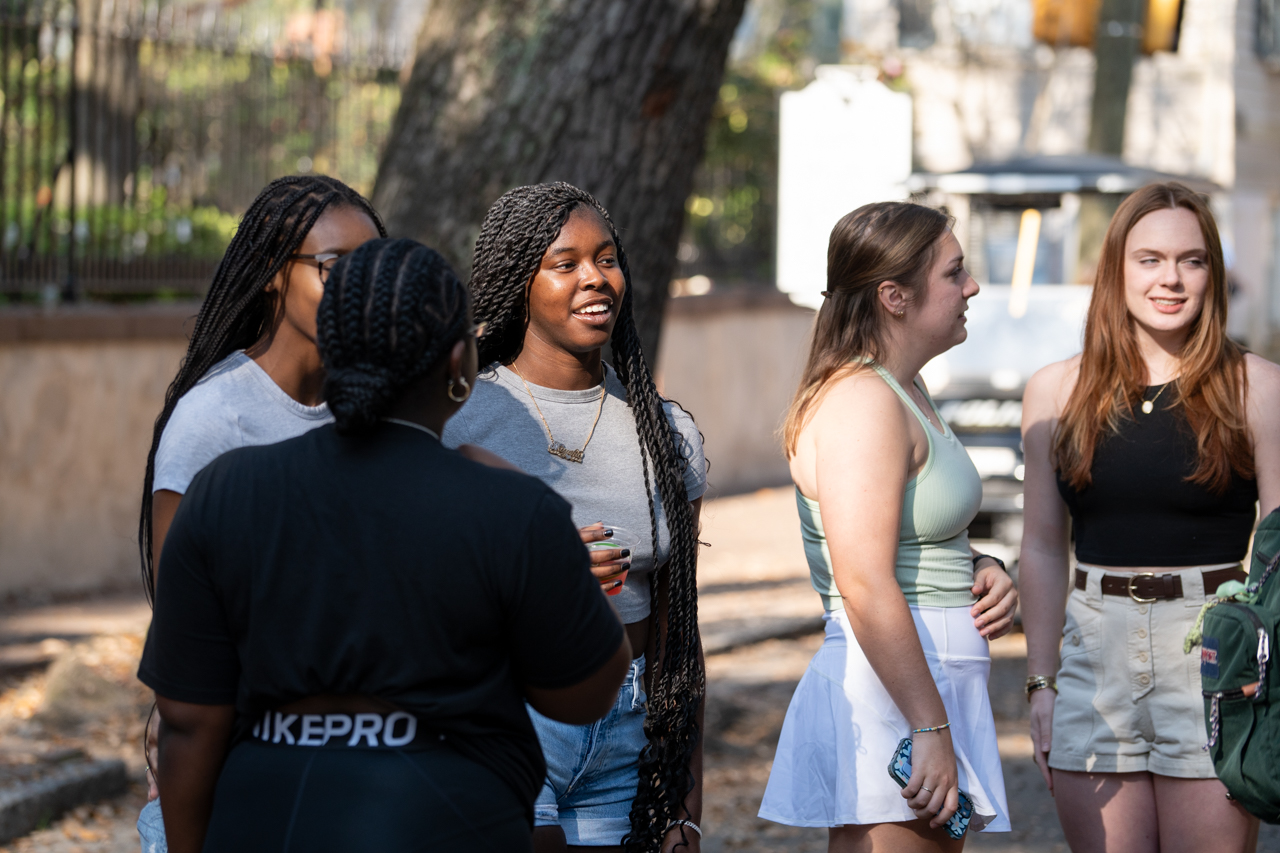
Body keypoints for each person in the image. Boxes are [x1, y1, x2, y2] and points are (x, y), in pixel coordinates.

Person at [138, 237, 632, 853]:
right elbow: (587, 691)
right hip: (452, 818)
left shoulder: (226, 492)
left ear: (330, 349)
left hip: (268, 817)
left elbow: (188, 720)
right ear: (459, 364)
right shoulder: (508, 507)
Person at [442, 182, 708, 853]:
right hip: (506, 707)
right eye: (566, 264)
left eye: (608, 258)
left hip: (628, 724)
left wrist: (685, 798)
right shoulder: (458, 419)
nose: (596, 278)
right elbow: (416, 591)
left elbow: (682, 630)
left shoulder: (665, 431)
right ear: (518, 283)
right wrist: (541, 577)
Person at [1020, 182, 1280, 853]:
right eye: (1150, 258)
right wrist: (1042, 681)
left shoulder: (1259, 387)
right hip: (1092, 650)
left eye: (1192, 260)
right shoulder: (1055, 390)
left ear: (1212, 274)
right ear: (1115, 269)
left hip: (1211, 651)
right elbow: (1045, 548)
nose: (1171, 277)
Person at [134, 175, 385, 845]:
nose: (360, 289)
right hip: (235, 779)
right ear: (275, 272)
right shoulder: (214, 420)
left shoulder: (380, 413)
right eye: (336, 269)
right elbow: (186, 638)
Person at [759, 201, 1016, 851]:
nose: (972, 287)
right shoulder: (862, 400)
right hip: (896, 695)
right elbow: (865, 578)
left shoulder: (906, 388)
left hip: (926, 684)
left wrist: (981, 563)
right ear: (894, 296)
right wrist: (928, 727)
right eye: (955, 273)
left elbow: (905, 532)